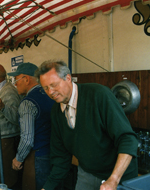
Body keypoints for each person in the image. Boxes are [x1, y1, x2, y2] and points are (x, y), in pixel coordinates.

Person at [35, 60, 138, 190]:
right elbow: (60, 158)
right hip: (87, 173)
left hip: (120, 175)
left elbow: (128, 139)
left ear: (68, 78)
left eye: (54, 85)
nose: (50, 92)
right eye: (45, 88)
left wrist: (113, 179)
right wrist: (47, 188)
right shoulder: (56, 111)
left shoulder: (99, 95)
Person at [7, 63, 55, 190]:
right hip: (55, 155)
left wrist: (18, 159)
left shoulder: (27, 103)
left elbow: (27, 139)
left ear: (27, 79)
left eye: (16, 80)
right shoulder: (52, 94)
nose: (15, 84)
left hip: (37, 158)